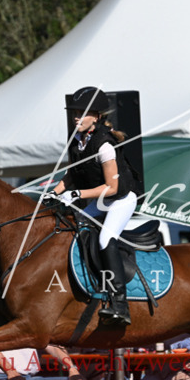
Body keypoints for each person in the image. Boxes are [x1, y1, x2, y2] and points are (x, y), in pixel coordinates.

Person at [49, 86, 144, 326]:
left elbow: (112, 189)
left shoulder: (104, 145)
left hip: (120, 200)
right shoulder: (78, 141)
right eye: (75, 113)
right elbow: (71, 175)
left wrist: (77, 193)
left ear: (97, 117)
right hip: (101, 200)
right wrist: (53, 194)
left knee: (104, 239)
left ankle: (120, 304)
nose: (76, 117)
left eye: (82, 113)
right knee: (75, 229)